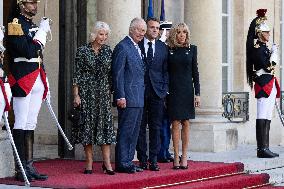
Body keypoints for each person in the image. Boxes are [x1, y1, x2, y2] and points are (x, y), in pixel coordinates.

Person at [6, 0, 51, 181]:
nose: (35, 6)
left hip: (36, 75)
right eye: (31, 3)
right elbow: (27, 51)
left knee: (31, 123)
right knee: (21, 121)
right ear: (21, 5)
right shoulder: (15, 24)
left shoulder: (31, 24)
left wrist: (41, 30)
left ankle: (29, 165)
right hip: (23, 76)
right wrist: (41, 31)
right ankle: (20, 167)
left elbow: (38, 52)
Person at [72, 21, 116, 175]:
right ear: (94, 34)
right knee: (88, 128)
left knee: (105, 128)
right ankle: (89, 162)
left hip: (103, 94)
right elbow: (77, 73)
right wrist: (76, 94)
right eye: (100, 34)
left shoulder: (108, 51)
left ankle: (107, 163)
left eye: (105, 34)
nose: (103, 37)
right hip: (87, 92)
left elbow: (111, 75)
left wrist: (112, 90)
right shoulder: (82, 50)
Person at [112, 17, 146, 174]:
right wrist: (120, 96)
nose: (142, 33)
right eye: (140, 30)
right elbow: (117, 74)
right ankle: (122, 163)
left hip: (138, 97)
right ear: (131, 29)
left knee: (134, 132)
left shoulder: (137, 47)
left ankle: (128, 161)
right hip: (128, 98)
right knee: (126, 131)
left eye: (143, 31)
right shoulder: (122, 47)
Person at [246, 9, 280, 158]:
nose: (269, 35)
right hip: (263, 85)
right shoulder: (258, 50)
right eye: (266, 33)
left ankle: (265, 147)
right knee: (262, 115)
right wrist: (275, 53)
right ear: (260, 34)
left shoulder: (264, 48)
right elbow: (268, 66)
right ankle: (261, 149)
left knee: (267, 116)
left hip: (269, 83)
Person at [136, 17, 168, 171]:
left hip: (157, 94)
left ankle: (153, 160)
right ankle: (142, 159)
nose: (155, 30)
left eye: (157, 28)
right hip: (140, 93)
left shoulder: (163, 47)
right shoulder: (137, 44)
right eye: (152, 27)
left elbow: (166, 71)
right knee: (140, 127)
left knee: (156, 127)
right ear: (146, 29)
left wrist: (164, 90)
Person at [167, 23, 201, 169]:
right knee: (175, 122)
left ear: (187, 34)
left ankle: (185, 156)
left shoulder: (192, 49)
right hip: (173, 90)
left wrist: (197, 94)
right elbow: (165, 72)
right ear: (175, 34)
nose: (181, 35)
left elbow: (195, 73)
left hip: (187, 90)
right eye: (179, 32)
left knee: (186, 122)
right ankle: (175, 155)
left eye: (184, 32)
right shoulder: (169, 50)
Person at [157, 20, 174, 163]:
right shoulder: (160, 46)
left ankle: (166, 151)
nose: (168, 33)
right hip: (161, 90)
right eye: (166, 31)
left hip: (171, 90)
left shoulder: (171, 47)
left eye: (169, 31)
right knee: (162, 123)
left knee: (167, 123)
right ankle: (161, 152)